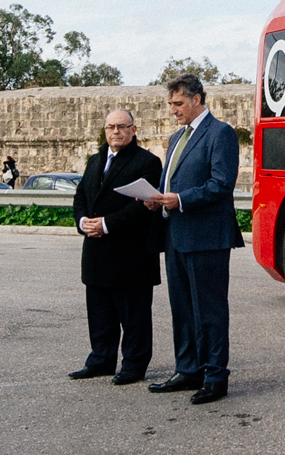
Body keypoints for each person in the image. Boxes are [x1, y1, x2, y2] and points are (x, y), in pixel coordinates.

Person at [148, 74, 239, 404]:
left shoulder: (221, 133)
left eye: (178, 104)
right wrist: (156, 197)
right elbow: (169, 181)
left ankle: (215, 375)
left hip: (207, 237)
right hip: (176, 235)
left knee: (209, 310)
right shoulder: (176, 139)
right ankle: (188, 370)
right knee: (182, 308)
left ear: (197, 99)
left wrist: (180, 199)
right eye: (170, 104)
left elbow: (221, 183)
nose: (173, 110)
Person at [70, 108, 164, 383]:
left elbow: (143, 206)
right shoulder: (95, 160)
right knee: (100, 312)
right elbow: (80, 197)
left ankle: (134, 364)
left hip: (130, 253)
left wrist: (107, 224)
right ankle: (101, 359)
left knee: (133, 315)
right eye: (111, 127)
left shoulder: (147, 162)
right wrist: (83, 221)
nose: (116, 132)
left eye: (122, 127)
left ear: (134, 130)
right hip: (96, 251)